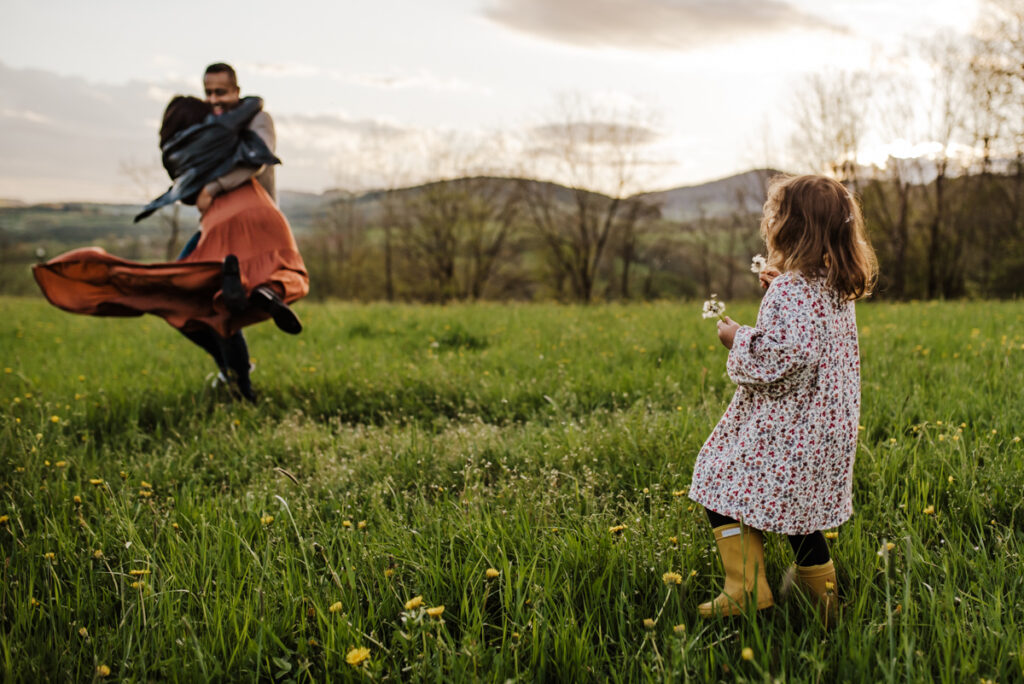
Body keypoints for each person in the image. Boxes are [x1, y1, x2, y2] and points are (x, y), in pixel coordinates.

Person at [687, 174, 878, 627]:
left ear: (789, 228)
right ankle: (823, 606)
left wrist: (738, 339)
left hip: (790, 429)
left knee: (718, 475)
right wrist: (777, 291)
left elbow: (784, 358)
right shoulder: (832, 285)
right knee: (801, 515)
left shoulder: (793, 291)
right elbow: (809, 339)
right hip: (826, 427)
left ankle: (746, 588)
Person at [33, 95, 308, 403]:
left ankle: (237, 380)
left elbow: (193, 192)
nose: (214, 102)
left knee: (186, 295)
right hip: (263, 211)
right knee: (282, 271)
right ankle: (267, 295)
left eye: (220, 93)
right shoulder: (235, 135)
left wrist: (213, 185)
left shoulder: (193, 146)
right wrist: (246, 104)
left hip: (222, 221)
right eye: (209, 95)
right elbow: (256, 138)